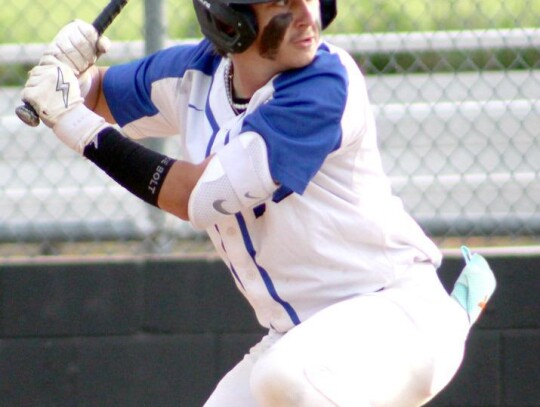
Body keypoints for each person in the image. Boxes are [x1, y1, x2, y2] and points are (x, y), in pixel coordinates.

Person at [20, 0, 497, 405]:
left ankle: (452, 314)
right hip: (297, 338)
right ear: (229, 20)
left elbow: (201, 197)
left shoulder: (325, 86)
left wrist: (76, 126)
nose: (306, 16)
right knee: (282, 375)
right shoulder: (196, 75)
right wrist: (69, 77)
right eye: (280, 5)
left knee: (287, 379)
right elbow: (99, 94)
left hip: (396, 317)